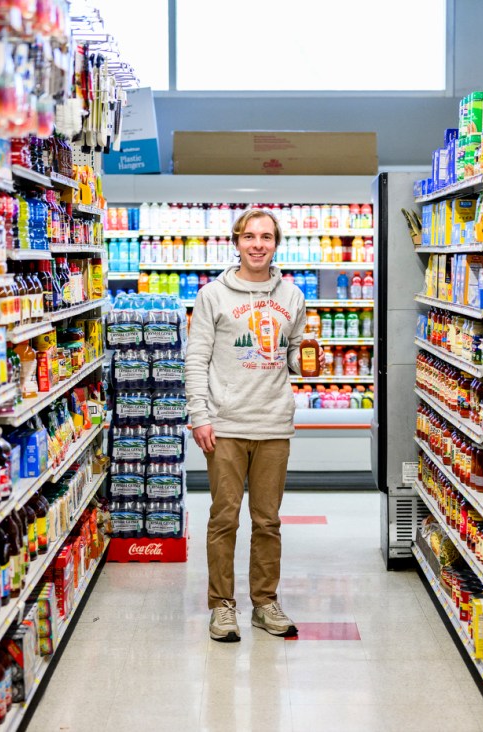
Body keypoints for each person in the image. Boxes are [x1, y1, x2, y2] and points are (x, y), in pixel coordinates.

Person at [186, 208, 315, 643]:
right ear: (237, 241)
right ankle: (222, 606)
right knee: (224, 519)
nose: (258, 244)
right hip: (224, 424)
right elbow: (196, 359)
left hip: (274, 422)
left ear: (276, 244)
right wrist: (199, 414)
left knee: (268, 521)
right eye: (250, 236)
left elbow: (294, 354)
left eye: (266, 237)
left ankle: (264, 603)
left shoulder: (292, 295)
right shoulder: (213, 295)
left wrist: (307, 360)